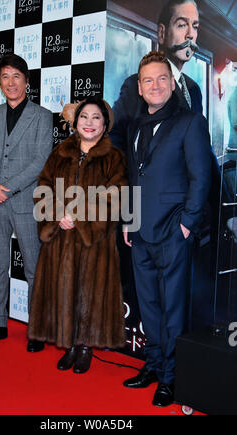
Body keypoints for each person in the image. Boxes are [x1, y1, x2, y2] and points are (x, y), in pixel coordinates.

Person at [122, 51, 212, 406]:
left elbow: (200, 176)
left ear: (172, 85)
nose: (155, 85)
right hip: (141, 232)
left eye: (162, 79)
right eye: (148, 80)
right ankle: (153, 366)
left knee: (174, 308)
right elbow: (133, 178)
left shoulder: (190, 121)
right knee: (149, 306)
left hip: (175, 231)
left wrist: (188, 225)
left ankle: (171, 379)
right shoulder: (133, 126)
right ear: (140, 89)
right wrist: (129, 221)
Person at [27, 96, 127, 374]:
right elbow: (43, 186)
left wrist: (79, 216)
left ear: (105, 123)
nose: (89, 123)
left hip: (94, 239)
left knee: (89, 292)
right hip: (61, 237)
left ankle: (85, 347)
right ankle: (70, 343)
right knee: (65, 289)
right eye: (84, 117)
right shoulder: (59, 152)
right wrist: (58, 214)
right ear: (75, 121)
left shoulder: (114, 156)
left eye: (96, 117)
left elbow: (115, 196)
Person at [0, 54, 53, 351]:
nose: (11, 82)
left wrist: (8, 187)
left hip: (25, 201)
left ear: (27, 81)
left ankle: (37, 329)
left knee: (33, 267)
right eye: (5, 76)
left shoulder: (42, 116)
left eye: (16, 76)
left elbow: (41, 160)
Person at [110, 0, 202, 152]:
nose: (190, 35)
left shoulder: (194, 89)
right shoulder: (135, 85)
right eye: (182, 25)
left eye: (195, 27)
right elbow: (114, 139)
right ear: (161, 33)